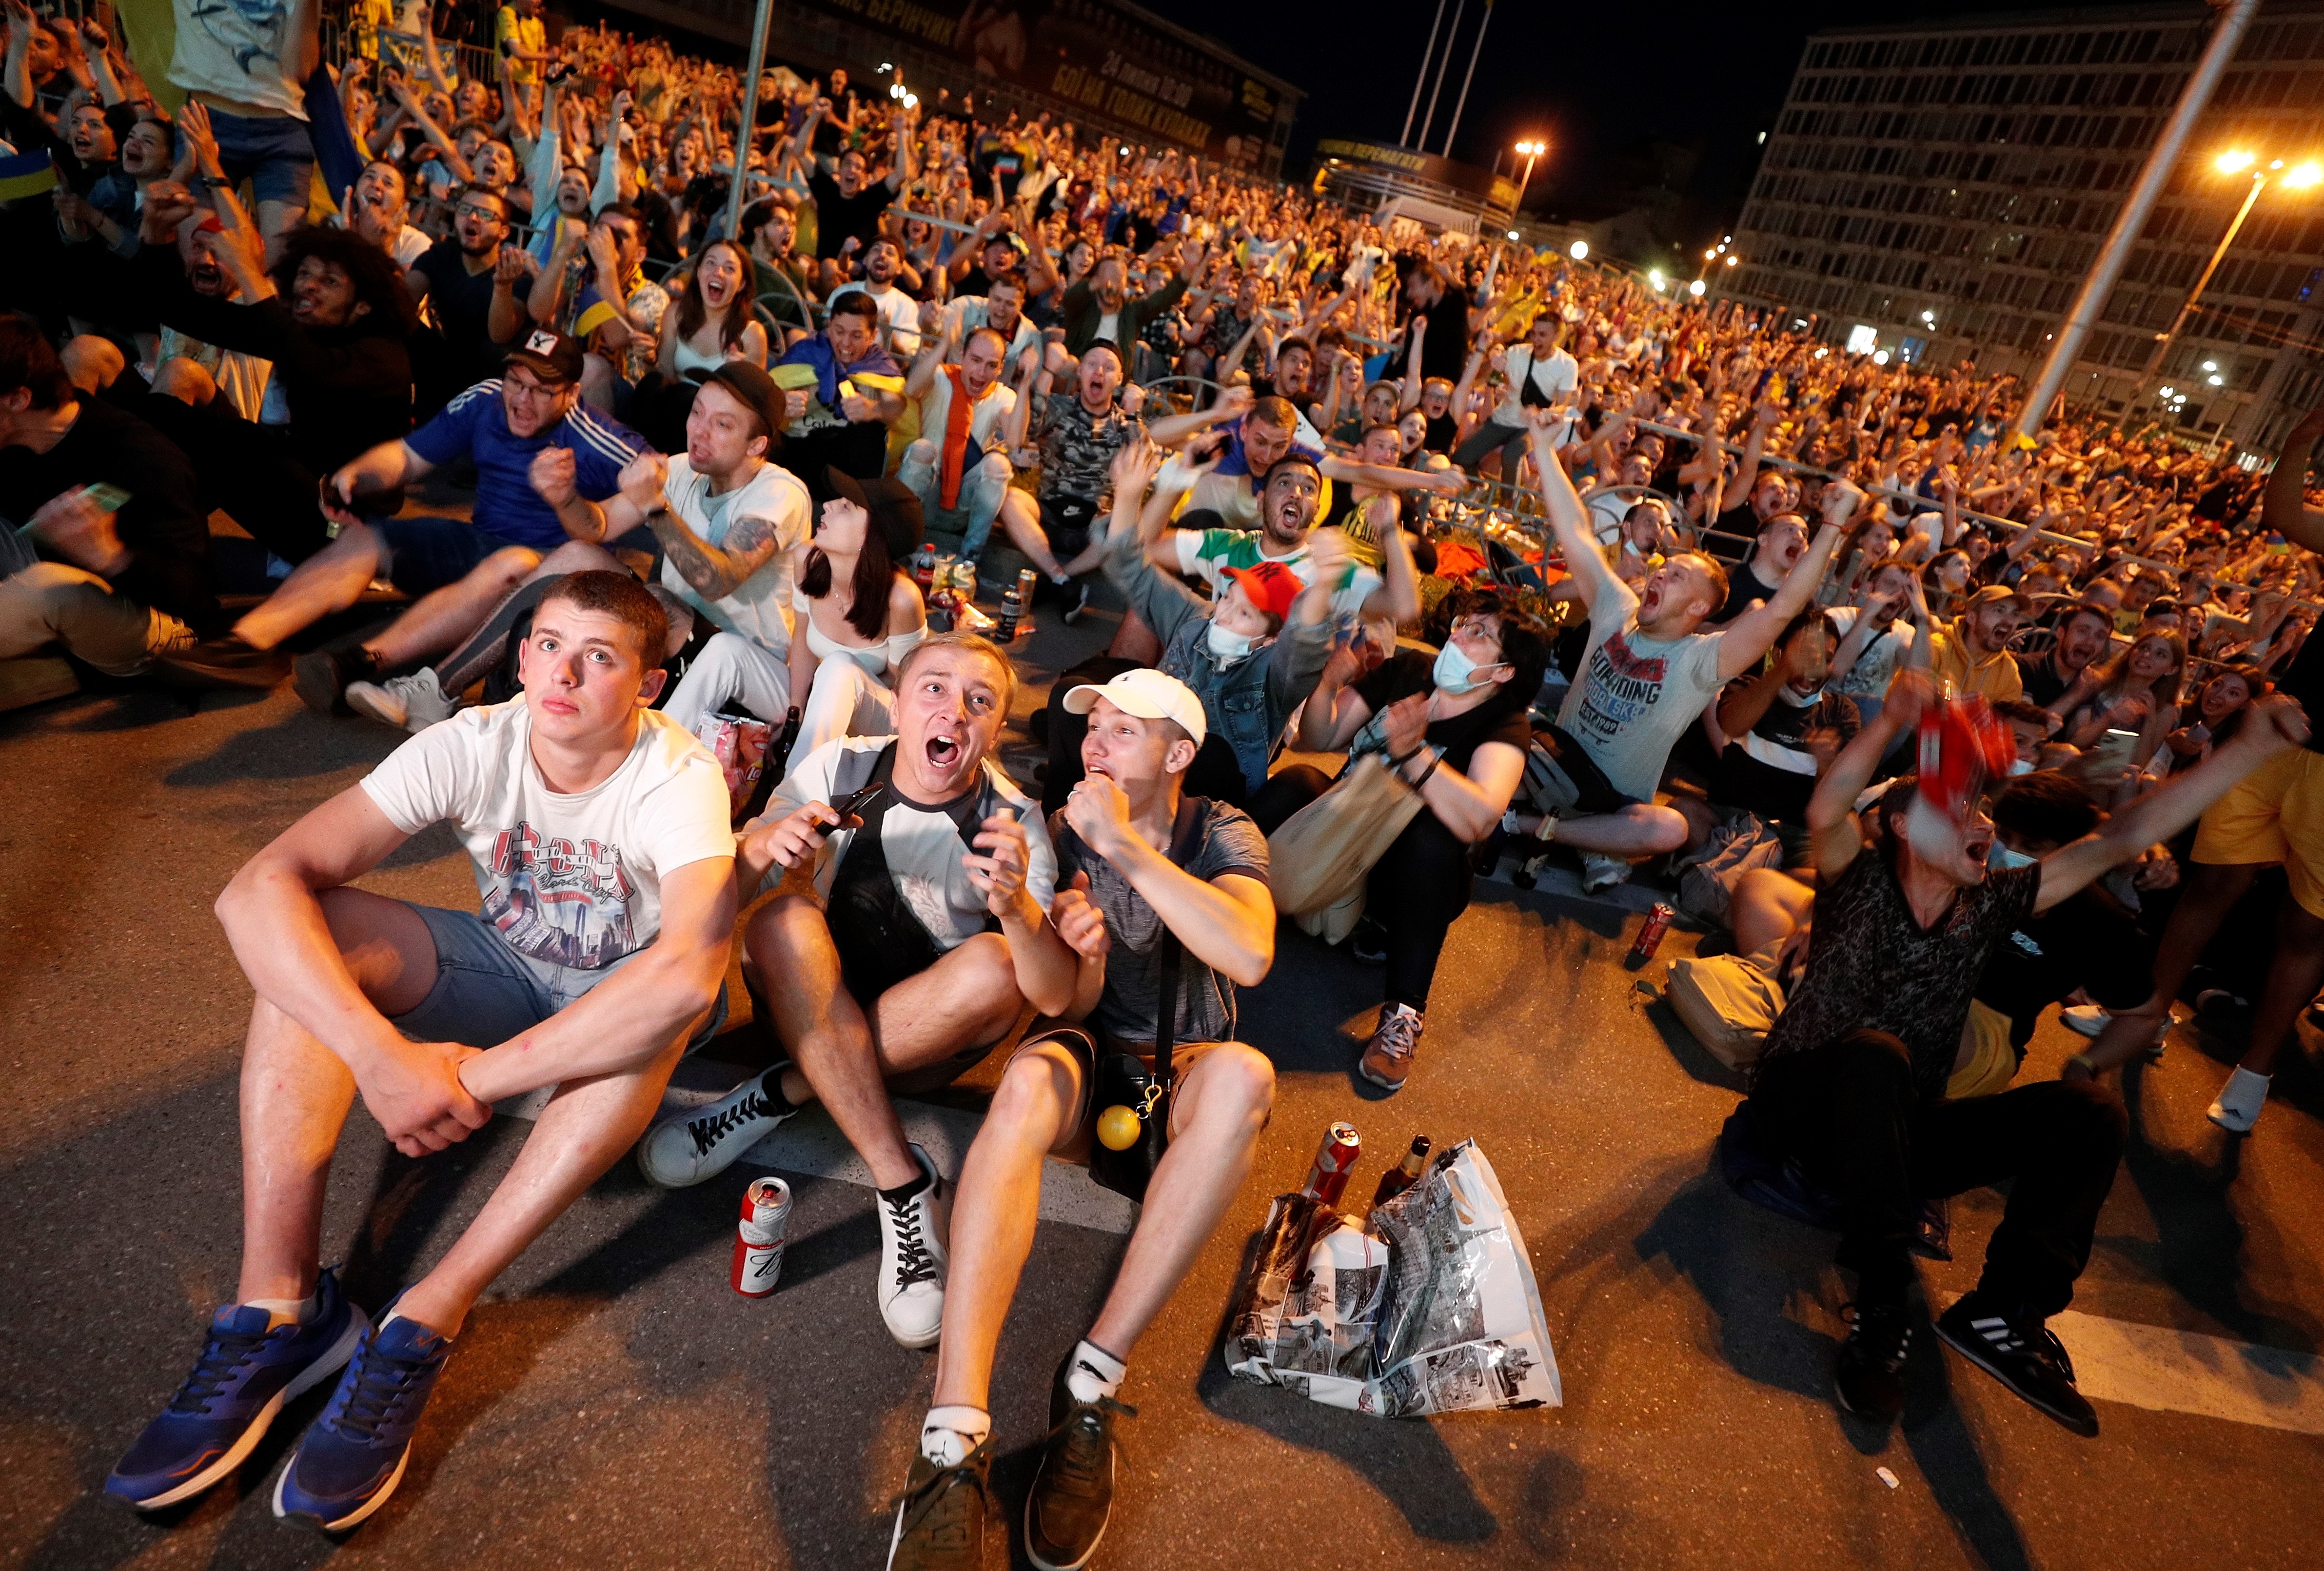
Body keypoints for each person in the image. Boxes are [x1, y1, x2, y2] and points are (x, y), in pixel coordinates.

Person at [102, 571, 736, 1527]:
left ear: (646, 685)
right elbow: (257, 885)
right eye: (548, 642)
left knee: (654, 1010)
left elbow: (690, 972)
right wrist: (379, 1056)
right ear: (520, 654)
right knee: (306, 941)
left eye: (599, 656)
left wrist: (463, 1080)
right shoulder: (470, 741)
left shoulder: (680, 774)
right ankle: (280, 1309)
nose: (564, 669)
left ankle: (424, 1315)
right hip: (503, 969)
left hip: (614, 998)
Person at [1746, 669, 2308, 1435]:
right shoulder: (1861, 882)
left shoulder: (1989, 907)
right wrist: (1890, 724)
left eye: (1984, 811)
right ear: (1904, 830)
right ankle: (1881, 1310)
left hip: (1897, 1132)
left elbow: (2117, 838)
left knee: (2085, 1110)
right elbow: (1828, 804)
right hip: (1799, 1113)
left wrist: (2248, 750)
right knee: (1876, 1054)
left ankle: (2003, 1313)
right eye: (1962, 811)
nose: (1983, 825)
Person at [884, 668, 1277, 1571]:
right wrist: (1049, 916)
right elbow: (1064, 995)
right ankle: (953, 1434)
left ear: (1177, 754)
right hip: (1093, 1060)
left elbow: (1249, 953)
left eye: (1122, 729)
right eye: (1092, 725)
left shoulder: (1217, 830)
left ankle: (1092, 1381)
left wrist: (1130, 853)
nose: (1096, 742)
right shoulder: (1064, 829)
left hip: (1183, 1070)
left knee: (1244, 1079)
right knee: (1020, 1090)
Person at [638, 634, 1071, 1352]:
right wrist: (757, 850)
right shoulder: (838, 765)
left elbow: (1050, 996)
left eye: (980, 700)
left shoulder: (1013, 820)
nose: (954, 711)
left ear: (997, 732)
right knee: (779, 919)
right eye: (934, 688)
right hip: (804, 998)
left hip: (920, 1041)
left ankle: (782, 1092)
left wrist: (1018, 905)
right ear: (898, 705)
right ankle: (903, 1181)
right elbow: (719, 905)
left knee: (999, 964)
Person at [2073, 402, 2324, 1131]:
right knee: (2210, 882)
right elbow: (2285, 515)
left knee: (2306, 929)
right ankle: (2143, 1015)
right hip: (2278, 737)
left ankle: (2255, 1070)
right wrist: (2300, 440)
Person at [165, 334, 640, 705]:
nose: (521, 400)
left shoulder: (601, 441)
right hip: (478, 541)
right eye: (517, 382)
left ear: (572, 393)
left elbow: (658, 491)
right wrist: (358, 475)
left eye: (542, 391)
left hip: (544, 571)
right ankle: (245, 646)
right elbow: (408, 458)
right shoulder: (486, 399)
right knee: (365, 538)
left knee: (512, 562)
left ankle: (360, 662)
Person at [1512, 419, 1846, 892]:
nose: (1660, 574)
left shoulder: (1701, 659)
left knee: (1669, 828)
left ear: (1698, 608)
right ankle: (1589, 846)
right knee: (1499, 736)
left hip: (1613, 802)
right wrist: (1545, 448)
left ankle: (1538, 829)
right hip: (1550, 765)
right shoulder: (1616, 607)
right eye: (1662, 569)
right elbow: (1575, 530)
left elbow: (1782, 609)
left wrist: (1832, 524)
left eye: (1677, 577)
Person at [1277, 585, 1548, 1090]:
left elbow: (1481, 819)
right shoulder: (1409, 673)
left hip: (1405, 880)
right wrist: (1328, 683)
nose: (1458, 636)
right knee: (1295, 784)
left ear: (1504, 670)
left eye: (1479, 634)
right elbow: (1320, 738)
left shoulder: (1504, 725)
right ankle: (1226, 900)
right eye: (1463, 625)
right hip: (1339, 842)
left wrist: (1413, 756)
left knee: (1432, 836)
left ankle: (1401, 1015)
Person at [467, 364, 814, 742]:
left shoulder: (781, 492)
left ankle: (562, 731)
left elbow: (718, 580)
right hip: (672, 642)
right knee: (578, 557)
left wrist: (655, 507)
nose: (699, 430)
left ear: (757, 444)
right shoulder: (684, 470)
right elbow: (596, 527)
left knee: (657, 601)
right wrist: (565, 497)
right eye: (697, 411)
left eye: (722, 425)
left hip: (741, 671)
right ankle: (444, 689)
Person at [0, 321, 222, 686]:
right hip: (39, 577)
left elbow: (195, 596)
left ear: (17, 400)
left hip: (153, 620)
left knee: (46, 587)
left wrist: (109, 554)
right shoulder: (15, 444)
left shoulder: (140, 455)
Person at [662, 468, 928, 757]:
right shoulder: (809, 560)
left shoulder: (901, 599)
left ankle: (792, 795)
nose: (828, 505)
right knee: (726, 649)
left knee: (839, 667)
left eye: (847, 507)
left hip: (879, 718)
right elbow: (802, 641)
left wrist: (837, 696)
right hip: (818, 698)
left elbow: (902, 688)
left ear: (872, 536)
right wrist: (796, 711)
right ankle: (655, 755)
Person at [996, 338, 1145, 622]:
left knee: (1123, 523)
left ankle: (1058, 578)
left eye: (1108, 367)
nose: (1099, 372)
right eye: (1092, 364)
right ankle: (1061, 580)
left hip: (1093, 527)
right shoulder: (1061, 407)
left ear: (1119, 379)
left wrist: (1134, 414)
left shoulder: (1125, 423)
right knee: (1012, 500)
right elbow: (1027, 431)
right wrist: (1039, 375)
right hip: (1048, 512)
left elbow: (1141, 463)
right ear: (1080, 372)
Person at [898, 323, 1027, 561]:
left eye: (991, 365)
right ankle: (895, 544)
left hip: (962, 505)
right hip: (924, 497)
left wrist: (1027, 381)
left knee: (999, 465)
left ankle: (970, 557)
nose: (981, 373)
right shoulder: (940, 377)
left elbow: (1015, 439)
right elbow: (913, 388)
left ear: (1000, 369)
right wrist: (945, 343)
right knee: (923, 449)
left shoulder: (1002, 395)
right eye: (976, 361)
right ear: (962, 357)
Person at [405, 187, 531, 410]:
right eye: (465, 209)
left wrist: (502, 286)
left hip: (492, 381)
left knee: (491, 351)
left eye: (485, 214)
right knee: (401, 326)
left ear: (503, 232)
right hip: (446, 363)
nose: (472, 217)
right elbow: (401, 302)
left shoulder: (515, 274)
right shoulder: (440, 256)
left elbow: (501, 335)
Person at [773, 289, 905, 482]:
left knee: (871, 433)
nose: (846, 343)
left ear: (873, 336)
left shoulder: (879, 363)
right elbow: (769, 397)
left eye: (857, 336)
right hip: (801, 448)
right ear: (828, 327)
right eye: (839, 331)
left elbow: (897, 405)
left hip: (848, 462)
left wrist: (874, 409)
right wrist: (783, 404)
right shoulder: (807, 351)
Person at [1452, 313, 1576, 479]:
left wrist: (1541, 413)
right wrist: (1492, 365)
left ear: (1557, 335)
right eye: (1533, 333)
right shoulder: (1517, 352)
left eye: (1543, 335)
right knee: (1461, 458)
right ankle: (1482, 488)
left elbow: (1563, 405)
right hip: (1502, 420)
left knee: (1512, 453)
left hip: (1532, 425)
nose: (1536, 339)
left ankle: (1507, 502)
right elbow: (1478, 377)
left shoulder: (1567, 365)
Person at [1928, 584, 2028, 703]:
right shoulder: (1935, 647)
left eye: (2015, 614)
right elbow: (1911, 701)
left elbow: (2009, 719)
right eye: (1999, 611)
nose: (2009, 621)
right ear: (1971, 618)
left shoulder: (2008, 671)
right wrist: (1952, 706)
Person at [2013, 601, 2112, 709]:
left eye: (2099, 637)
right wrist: (2076, 695)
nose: (2089, 642)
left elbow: (2080, 725)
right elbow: (2025, 724)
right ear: (2061, 633)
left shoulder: (2087, 680)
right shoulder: (2026, 667)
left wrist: (2111, 717)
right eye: (2082, 631)